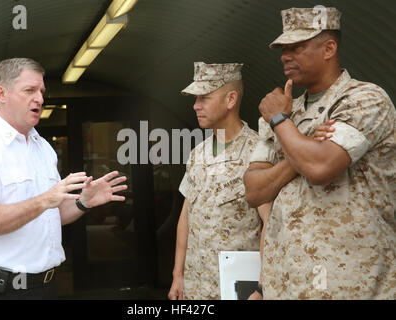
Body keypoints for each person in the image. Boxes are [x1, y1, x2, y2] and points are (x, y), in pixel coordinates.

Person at [244, 7, 395, 299]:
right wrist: (301, 143)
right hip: (287, 280)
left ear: (329, 48)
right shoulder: (290, 110)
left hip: (349, 281)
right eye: (283, 49)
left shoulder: (364, 99)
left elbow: (320, 169)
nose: (285, 56)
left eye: (296, 47)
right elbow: (254, 191)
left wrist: (279, 123)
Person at [0, 58, 128, 300]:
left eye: (42, 91)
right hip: (0, 291)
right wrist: (44, 200)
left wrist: (82, 202)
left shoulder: (42, 147)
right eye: (29, 90)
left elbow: (50, 216)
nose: (40, 99)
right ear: (1, 93)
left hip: (45, 287)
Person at [168, 62, 269, 300]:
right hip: (196, 287)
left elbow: (272, 223)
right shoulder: (197, 154)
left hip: (238, 289)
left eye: (204, 97)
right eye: (195, 98)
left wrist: (262, 286)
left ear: (230, 99)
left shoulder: (259, 152)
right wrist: (178, 275)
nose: (196, 106)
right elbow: (186, 216)